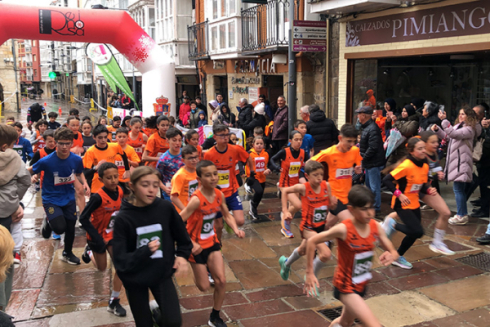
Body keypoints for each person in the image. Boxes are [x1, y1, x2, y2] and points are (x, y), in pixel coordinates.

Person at [304, 185, 398, 327]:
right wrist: (310, 273)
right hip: (345, 287)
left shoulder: (375, 226)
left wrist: (392, 255)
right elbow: (312, 241)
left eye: (371, 208)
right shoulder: (344, 229)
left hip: (362, 283)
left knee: (345, 322)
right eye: (364, 209)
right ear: (351, 209)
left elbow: (393, 251)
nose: (369, 213)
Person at [112, 166, 191, 327]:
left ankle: (158, 314)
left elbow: (183, 238)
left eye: (155, 185)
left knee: (174, 322)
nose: (151, 190)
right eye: (145, 185)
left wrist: (182, 256)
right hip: (135, 279)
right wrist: (145, 251)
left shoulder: (165, 208)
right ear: (132, 186)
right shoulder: (123, 218)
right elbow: (120, 261)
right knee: (144, 324)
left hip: (161, 273)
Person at [179, 160, 245, 327]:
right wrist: (191, 243)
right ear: (199, 178)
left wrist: (235, 229)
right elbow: (178, 222)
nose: (213, 178)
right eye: (208, 175)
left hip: (213, 242)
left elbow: (227, 214)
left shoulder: (219, 194)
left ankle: (215, 316)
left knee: (221, 281)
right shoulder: (196, 200)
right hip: (196, 246)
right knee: (203, 286)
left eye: (215, 174)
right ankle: (194, 267)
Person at [29, 128, 90, 265]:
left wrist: (85, 183)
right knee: (59, 228)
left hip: (68, 198)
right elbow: (30, 169)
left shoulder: (75, 159)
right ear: (56, 143)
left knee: (70, 226)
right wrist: (31, 176)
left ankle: (67, 253)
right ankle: (49, 221)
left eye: (67, 143)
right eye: (61, 143)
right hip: (51, 198)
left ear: (71, 144)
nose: (64, 147)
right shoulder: (47, 161)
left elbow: (79, 173)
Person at [381, 137, 438, 269]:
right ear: (411, 151)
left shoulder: (424, 164)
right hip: (401, 204)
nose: (424, 150)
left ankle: (398, 256)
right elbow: (387, 180)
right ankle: (393, 224)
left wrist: (429, 190)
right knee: (418, 231)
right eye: (420, 149)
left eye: (424, 147)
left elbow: (422, 185)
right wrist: (399, 195)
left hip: (414, 203)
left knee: (414, 233)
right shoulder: (406, 165)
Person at [79, 163, 126, 317]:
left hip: (113, 234)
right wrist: (97, 238)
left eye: (115, 177)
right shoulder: (97, 197)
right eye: (109, 178)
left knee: (121, 266)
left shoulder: (119, 190)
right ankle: (90, 252)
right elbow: (83, 218)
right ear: (100, 179)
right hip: (97, 236)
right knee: (102, 268)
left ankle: (114, 300)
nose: (113, 180)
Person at [279, 161, 337, 280]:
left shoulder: (327, 186)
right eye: (315, 175)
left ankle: (286, 263)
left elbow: (331, 206)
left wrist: (333, 204)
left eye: (321, 174)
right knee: (325, 254)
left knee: (302, 251)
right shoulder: (303, 188)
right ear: (307, 176)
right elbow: (285, 190)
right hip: (308, 228)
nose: (319, 178)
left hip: (321, 227)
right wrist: (285, 211)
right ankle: (311, 278)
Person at [432, 106, 480, 225]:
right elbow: (448, 136)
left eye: (463, 114)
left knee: (458, 189)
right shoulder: (459, 127)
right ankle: (462, 214)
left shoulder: (469, 129)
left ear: (469, 116)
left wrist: (444, 120)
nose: (460, 116)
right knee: (459, 190)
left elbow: (453, 134)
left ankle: (461, 215)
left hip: (461, 163)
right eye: (460, 114)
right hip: (457, 162)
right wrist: (438, 130)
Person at [0, 124, 30, 308]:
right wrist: (14, 201)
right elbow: (25, 180)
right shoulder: (14, 158)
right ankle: (3, 304)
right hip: (5, 211)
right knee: (4, 256)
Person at [203, 124, 254, 234]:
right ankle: (219, 244)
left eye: (227, 135)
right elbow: (204, 173)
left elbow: (248, 157)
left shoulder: (235, 149)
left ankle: (228, 219)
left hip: (232, 191)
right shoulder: (209, 154)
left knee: (240, 221)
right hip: (216, 194)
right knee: (219, 226)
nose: (226, 138)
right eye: (222, 136)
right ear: (215, 137)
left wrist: (252, 173)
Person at [310, 124, 363, 227]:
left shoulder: (355, 151)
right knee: (352, 223)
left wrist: (357, 170)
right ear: (340, 138)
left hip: (348, 196)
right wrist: (317, 182)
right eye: (349, 141)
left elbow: (357, 168)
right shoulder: (329, 153)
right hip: (334, 196)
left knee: (328, 225)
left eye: (354, 141)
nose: (352, 144)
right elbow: (309, 164)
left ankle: (313, 239)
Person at [270, 130, 309, 238]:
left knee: (294, 208)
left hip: (295, 184)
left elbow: (310, 162)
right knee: (298, 205)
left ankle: (285, 227)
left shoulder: (303, 153)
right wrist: (277, 168)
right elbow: (272, 159)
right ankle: (284, 219)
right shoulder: (284, 152)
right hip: (285, 185)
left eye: (300, 139)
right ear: (290, 141)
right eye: (296, 140)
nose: (299, 142)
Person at [83, 125, 130, 194]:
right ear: (94, 137)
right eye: (100, 138)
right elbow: (85, 173)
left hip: (113, 182)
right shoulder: (90, 151)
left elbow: (123, 155)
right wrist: (96, 168)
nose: (103, 140)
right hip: (98, 184)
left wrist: (127, 170)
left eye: (105, 137)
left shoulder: (114, 146)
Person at [357, 106, 385, 214]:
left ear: (363, 116)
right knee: (369, 186)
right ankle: (370, 205)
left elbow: (373, 147)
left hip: (374, 163)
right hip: (370, 162)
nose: (358, 116)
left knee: (374, 187)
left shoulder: (372, 128)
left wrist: (363, 158)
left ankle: (375, 208)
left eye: (359, 114)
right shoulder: (367, 127)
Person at [245, 136, 271, 220]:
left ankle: (253, 207)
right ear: (253, 145)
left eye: (261, 144)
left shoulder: (266, 154)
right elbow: (241, 161)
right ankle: (253, 206)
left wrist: (268, 170)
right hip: (253, 177)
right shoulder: (249, 153)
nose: (259, 145)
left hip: (262, 177)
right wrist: (243, 173)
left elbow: (267, 165)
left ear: (264, 145)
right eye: (257, 143)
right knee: (259, 191)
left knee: (260, 195)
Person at [156, 128, 184, 200]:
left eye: (180, 140)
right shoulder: (163, 160)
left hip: (185, 190)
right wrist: (165, 188)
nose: (177, 143)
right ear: (167, 140)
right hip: (170, 193)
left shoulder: (186, 154)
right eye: (174, 140)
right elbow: (156, 177)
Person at [170, 145, 199, 213]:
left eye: (196, 157)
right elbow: (173, 197)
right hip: (183, 211)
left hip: (195, 209)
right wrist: (186, 211)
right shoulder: (180, 175)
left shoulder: (198, 170)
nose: (194, 160)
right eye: (190, 158)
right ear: (183, 160)